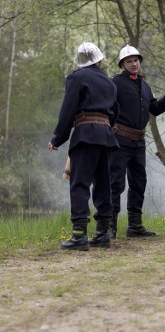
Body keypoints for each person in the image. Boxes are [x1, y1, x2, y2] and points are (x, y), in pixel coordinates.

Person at [48, 42, 119, 250]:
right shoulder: (110, 82)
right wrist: (105, 127)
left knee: (79, 184)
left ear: (80, 61)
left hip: (85, 135)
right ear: (99, 59)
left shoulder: (75, 77)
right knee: (103, 184)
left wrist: (57, 139)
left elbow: (68, 110)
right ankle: (102, 234)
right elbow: (115, 112)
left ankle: (79, 236)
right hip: (106, 137)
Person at [108, 45, 165, 239]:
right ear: (122, 64)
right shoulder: (115, 83)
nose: (134, 63)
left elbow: (154, 109)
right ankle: (109, 226)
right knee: (116, 184)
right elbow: (108, 108)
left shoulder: (145, 86)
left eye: (136, 60)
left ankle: (135, 226)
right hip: (119, 140)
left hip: (139, 142)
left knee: (139, 183)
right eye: (129, 61)